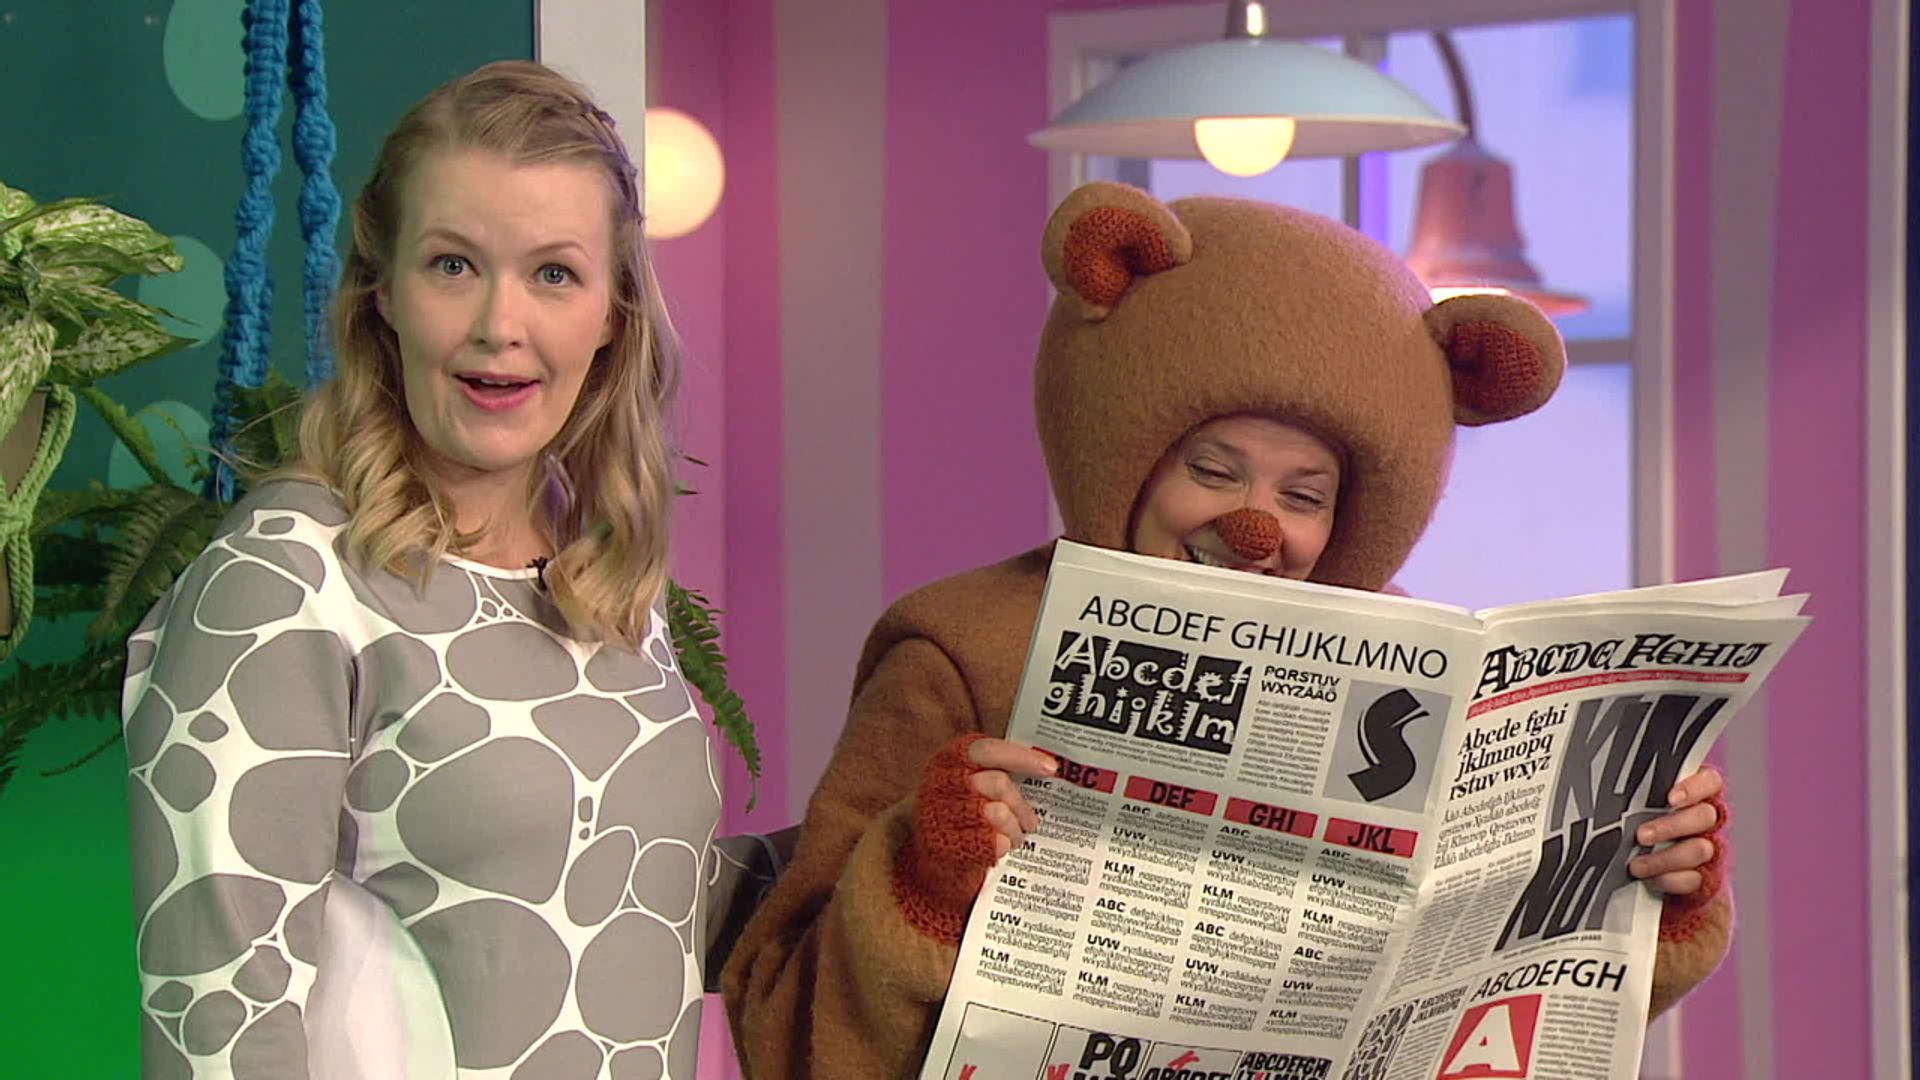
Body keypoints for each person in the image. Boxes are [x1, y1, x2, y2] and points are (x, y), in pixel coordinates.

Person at [721, 181, 1731, 1077]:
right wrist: (922, 881)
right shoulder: (958, 649)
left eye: (1306, 494)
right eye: (1212, 469)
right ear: (1125, 452)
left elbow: (1517, 1008)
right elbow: (783, 1022)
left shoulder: (1429, 683)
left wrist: (1652, 884)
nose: (1256, 527)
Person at [122, 61, 783, 1079]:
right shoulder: (283, 581)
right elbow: (218, 1023)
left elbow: (627, 918)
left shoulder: (597, 582)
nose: (499, 326)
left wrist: (902, 847)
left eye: (553, 274)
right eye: (453, 265)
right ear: (381, 289)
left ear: (613, 312)